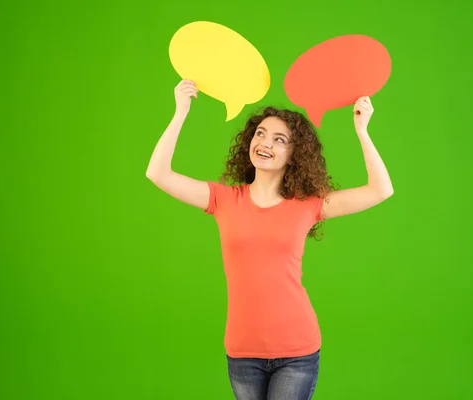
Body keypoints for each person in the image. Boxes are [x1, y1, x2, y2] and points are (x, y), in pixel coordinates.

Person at [146, 79, 394, 399]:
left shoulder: (308, 204)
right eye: (260, 133)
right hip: (242, 352)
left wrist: (362, 130)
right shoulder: (223, 199)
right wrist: (180, 112)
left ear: (294, 154)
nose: (265, 142)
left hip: (297, 351)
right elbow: (158, 173)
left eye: (280, 139)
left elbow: (380, 190)